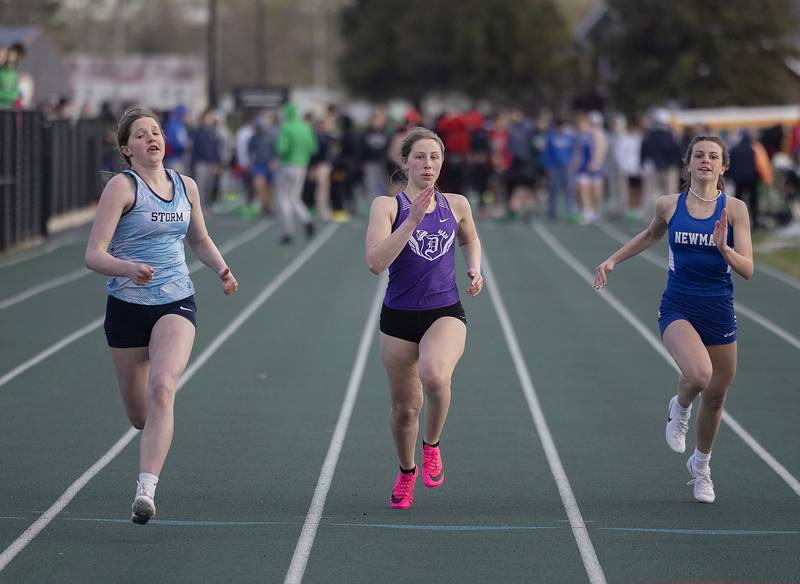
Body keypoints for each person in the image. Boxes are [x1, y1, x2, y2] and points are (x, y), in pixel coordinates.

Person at [84, 106, 238, 524]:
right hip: (127, 306)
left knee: (163, 388)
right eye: (141, 135)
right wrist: (127, 268)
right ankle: (150, 442)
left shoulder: (186, 186)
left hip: (175, 301)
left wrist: (222, 269)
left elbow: (200, 238)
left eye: (156, 132)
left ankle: (146, 490)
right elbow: (93, 255)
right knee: (140, 415)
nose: (152, 139)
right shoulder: (122, 187)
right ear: (126, 149)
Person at [594, 136, 753, 504]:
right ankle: (679, 406)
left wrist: (724, 249)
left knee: (715, 397)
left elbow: (747, 269)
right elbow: (650, 235)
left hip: (719, 309)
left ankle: (701, 469)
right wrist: (613, 259)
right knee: (699, 375)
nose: (706, 161)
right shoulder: (669, 205)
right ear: (687, 165)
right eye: (699, 155)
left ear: (723, 166)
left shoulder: (735, 210)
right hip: (679, 306)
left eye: (713, 156)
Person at [365, 127, 484, 509]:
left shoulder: (457, 204)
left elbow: (471, 238)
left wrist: (474, 269)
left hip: (444, 311)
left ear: (442, 162)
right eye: (419, 156)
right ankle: (406, 471)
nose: (427, 164)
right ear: (404, 162)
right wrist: (411, 222)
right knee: (404, 411)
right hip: (399, 318)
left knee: (435, 374)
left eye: (434, 157)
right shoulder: (387, 207)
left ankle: (432, 446)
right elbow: (375, 263)